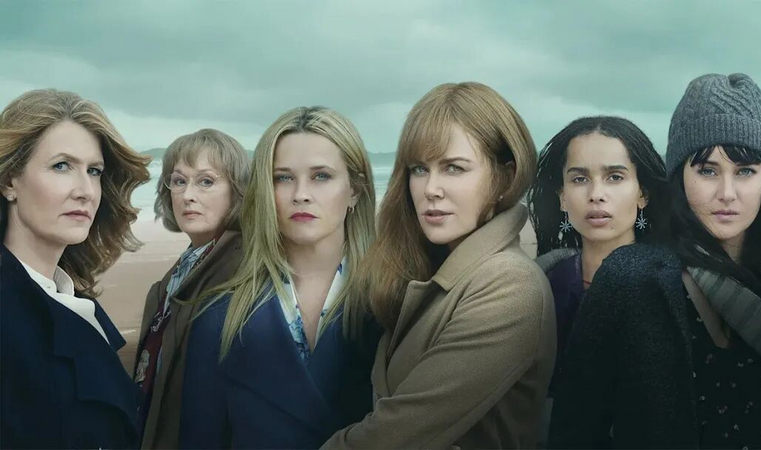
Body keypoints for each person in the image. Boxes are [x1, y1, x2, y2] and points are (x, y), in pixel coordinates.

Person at [549, 73, 761, 448]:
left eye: (745, 171)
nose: (727, 193)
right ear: (680, 176)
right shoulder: (630, 279)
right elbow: (576, 431)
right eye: (707, 170)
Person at [322, 82, 557, 449]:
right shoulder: (431, 266)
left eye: (454, 168)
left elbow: (395, 433)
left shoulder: (509, 284)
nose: (430, 188)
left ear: (505, 177)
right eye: (420, 169)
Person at [180, 106, 379, 449]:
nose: (300, 194)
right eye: (283, 178)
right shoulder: (218, 317)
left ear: (356, 190)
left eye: (321, 176)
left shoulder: (393, 303)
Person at [0, 88, 150, 448]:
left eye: (94, 171)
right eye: (61, 166)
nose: (86, 190)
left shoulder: (73, 301)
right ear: (9, 181)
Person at [527, 116, 667, 443]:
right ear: (562, 196)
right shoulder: (541, 288)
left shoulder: (673, 286)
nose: (596, 194)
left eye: (615, 177)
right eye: (579, 179)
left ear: (643, 193)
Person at [135, 128, 251, 448]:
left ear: (238, 191)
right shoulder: (182, 270)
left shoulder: (243, 276)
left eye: (206, 181)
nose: (188, 195)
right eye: (179, 181)